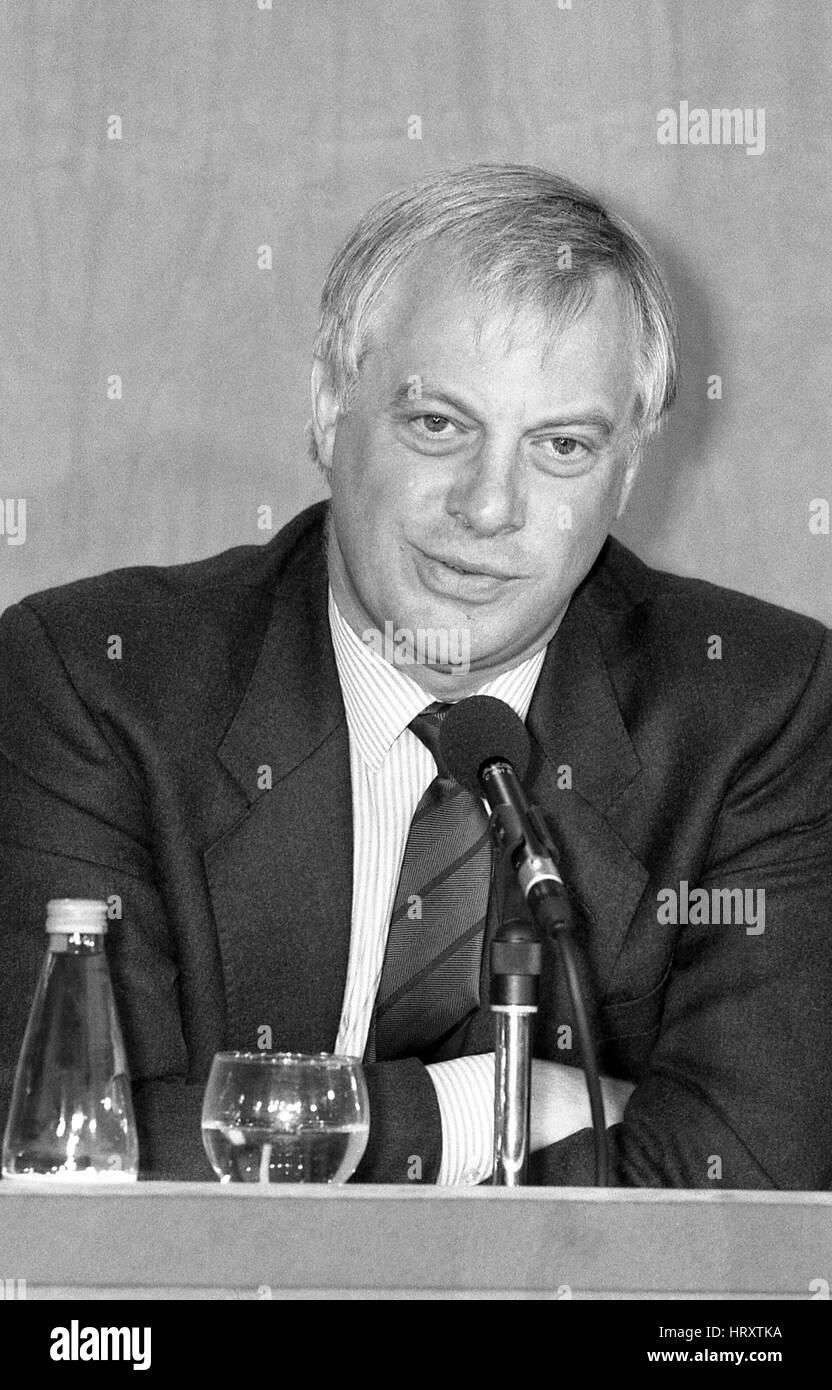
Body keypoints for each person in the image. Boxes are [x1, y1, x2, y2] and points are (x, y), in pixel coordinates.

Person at [1, 164, 830, 1187]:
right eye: (439, 424)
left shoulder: (761, 709)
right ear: (326, 410)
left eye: (561, 445)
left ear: (626, 473)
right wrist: (494, 1104)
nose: (488, 507)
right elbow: (66, 1147)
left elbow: (745, 1169)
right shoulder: (98, 682)